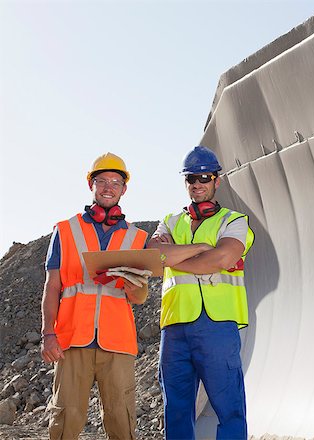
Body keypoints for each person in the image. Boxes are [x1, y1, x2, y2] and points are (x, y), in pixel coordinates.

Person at [40, 152, 150, 440]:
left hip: (118, 342)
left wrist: (128, 282)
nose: (108, 187)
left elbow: (139, 297)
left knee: (121, 420)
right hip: (72, 338)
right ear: (91, 184)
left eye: (116, 182)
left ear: (124, 190)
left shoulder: (137, 239)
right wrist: (47, 334)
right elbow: (52, 285)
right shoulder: (65, 231)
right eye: (102, 181)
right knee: (66, 419)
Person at [149, 145, 255, 440]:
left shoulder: (233, 221)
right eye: (191, 179)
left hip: (217, 325)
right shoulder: (170, 221)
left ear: (216, 180)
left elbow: (222, 259)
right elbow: (154, 256)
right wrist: (199, 249)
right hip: (175, 327)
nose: (197, 185)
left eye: (204, 178)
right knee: (177, 408)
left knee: (229, 407)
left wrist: (175, 258)